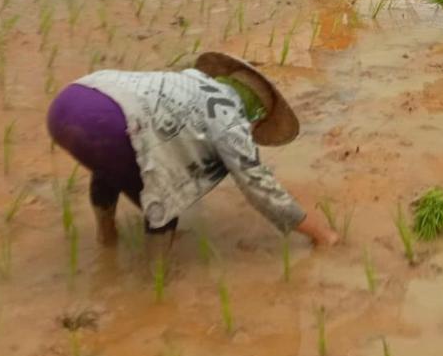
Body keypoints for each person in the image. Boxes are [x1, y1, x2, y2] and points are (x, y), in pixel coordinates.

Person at [46, 51, 339, 259]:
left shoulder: (192, 81)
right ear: (257, 115)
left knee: (111, 166)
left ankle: (106, 238)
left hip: (71, 100)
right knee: (162, 201)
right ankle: (155, 285)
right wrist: (320, 234)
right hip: (107, 125)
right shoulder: (230, 120)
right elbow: (259, 186)